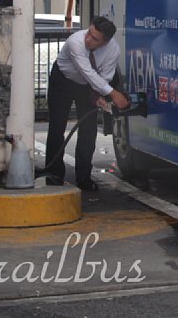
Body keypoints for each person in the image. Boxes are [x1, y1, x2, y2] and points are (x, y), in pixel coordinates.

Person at [44, 16, 129, 191]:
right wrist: (114, 94)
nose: (88, 39)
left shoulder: (113, 50)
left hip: (88, 86)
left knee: (88, 130)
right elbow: (88, 72)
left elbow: (105, 76)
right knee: (57, 126)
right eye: (89, 33)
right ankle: (54, 175)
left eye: (95, 38)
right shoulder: (76, 42)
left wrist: (99, 95)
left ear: (105, 42)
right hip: (63, 81)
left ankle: (84, 177)